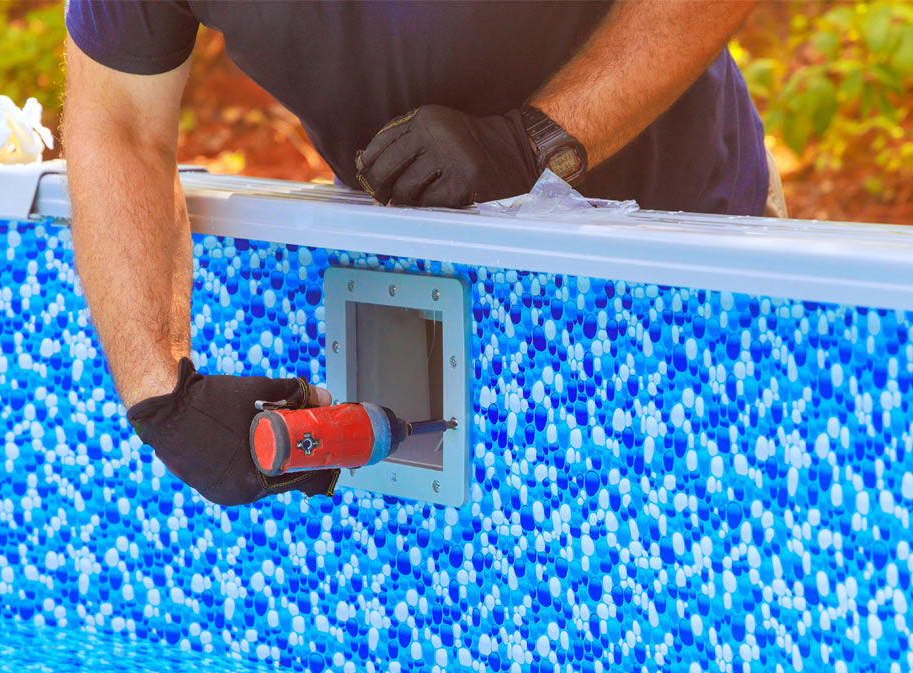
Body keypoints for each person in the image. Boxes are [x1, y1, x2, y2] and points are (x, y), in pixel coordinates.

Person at [62, 0, 782, 508]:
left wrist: (534, 141)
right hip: (439, 267)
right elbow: (117, 124)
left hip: (681, 242)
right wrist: (161, 397)